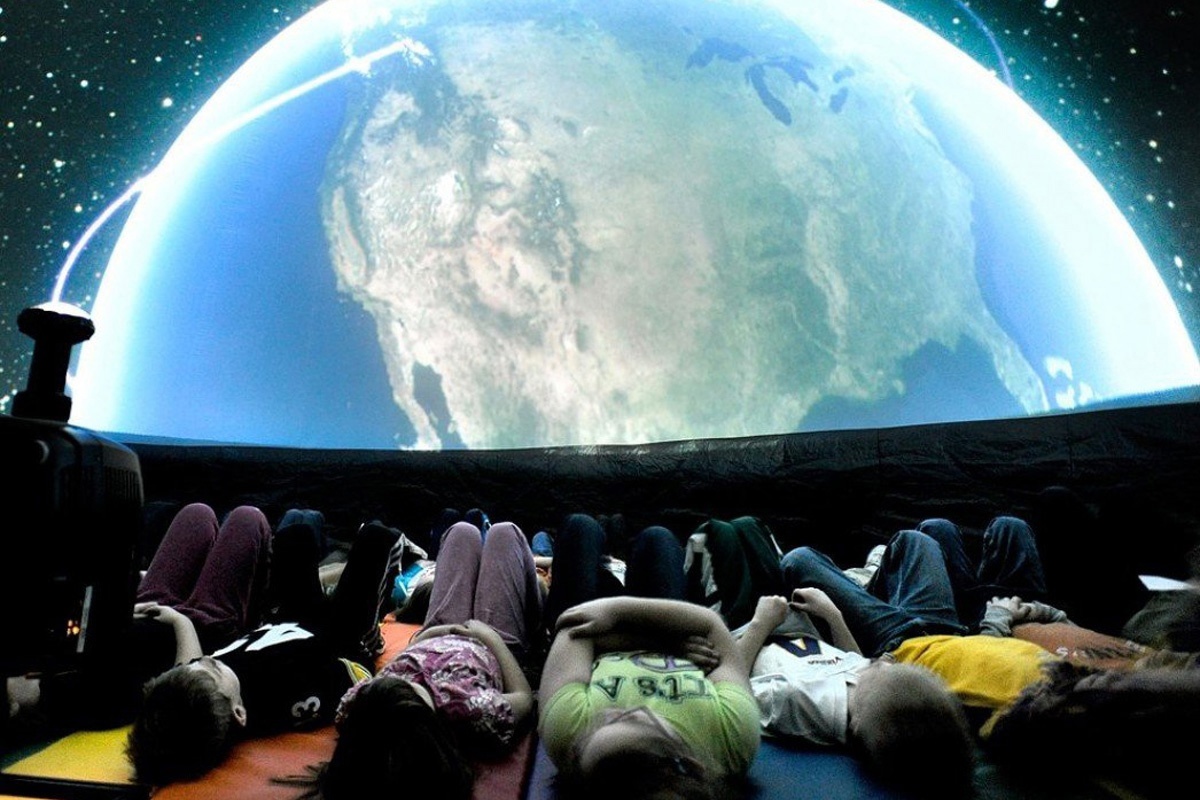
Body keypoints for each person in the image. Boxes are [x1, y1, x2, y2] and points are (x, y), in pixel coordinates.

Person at [125, 511, 399, 786]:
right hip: (339, 637)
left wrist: (179, 620)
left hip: (289, 624)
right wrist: (363, 649)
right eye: (211, 666)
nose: (203, 660)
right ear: (240, 712)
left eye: (195, 664)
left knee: (295, 535)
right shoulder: (285, 698)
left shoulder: (207, 695)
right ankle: (391, 562)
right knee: (375, 539)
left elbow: (190, 664)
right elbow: (355, 680)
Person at [297, 518, 542, 800]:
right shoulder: (470, 710)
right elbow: (524, 698)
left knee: (460, 532)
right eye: (409, 687)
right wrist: (489, 637)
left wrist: (427, 636)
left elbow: (398, 666)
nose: (407, 680)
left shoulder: (365, 705)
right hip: (491, 643)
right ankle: (536, 613)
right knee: (505, 533)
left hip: (436, 632)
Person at [537, 513, 760, 800]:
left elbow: (573, 628)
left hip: (621, 633)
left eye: (604, 723)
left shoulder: (567, 737)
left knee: (582, 527)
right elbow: (711, 625)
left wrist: (655, 639)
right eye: (638, 719)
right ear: (690, 765)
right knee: (658, 537)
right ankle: (618, 546)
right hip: (664, 630)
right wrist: (625, 616)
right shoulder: (731, 743)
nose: (615, 710)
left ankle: (610, 547)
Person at [6, 502, 272, 739]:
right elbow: (182, 686)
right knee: (247, 519)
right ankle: (257, 616)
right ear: (13, 708)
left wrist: (121, 612)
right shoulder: (87, 707)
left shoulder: (36, 662)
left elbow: (84, 627)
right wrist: (180, 622)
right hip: (201, 628)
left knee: (196, 515)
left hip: (150, 606)